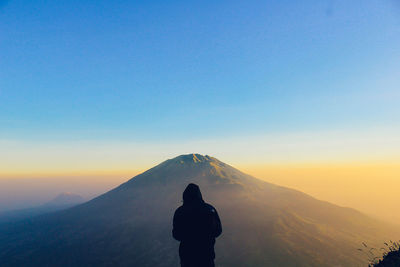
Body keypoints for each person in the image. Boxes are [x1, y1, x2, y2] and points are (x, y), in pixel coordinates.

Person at [172, 183, 222, 267]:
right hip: (207, 255)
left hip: (187, 257)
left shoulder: (180, 211)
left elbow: (176, 235)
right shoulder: (210, 209)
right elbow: (218, 231)